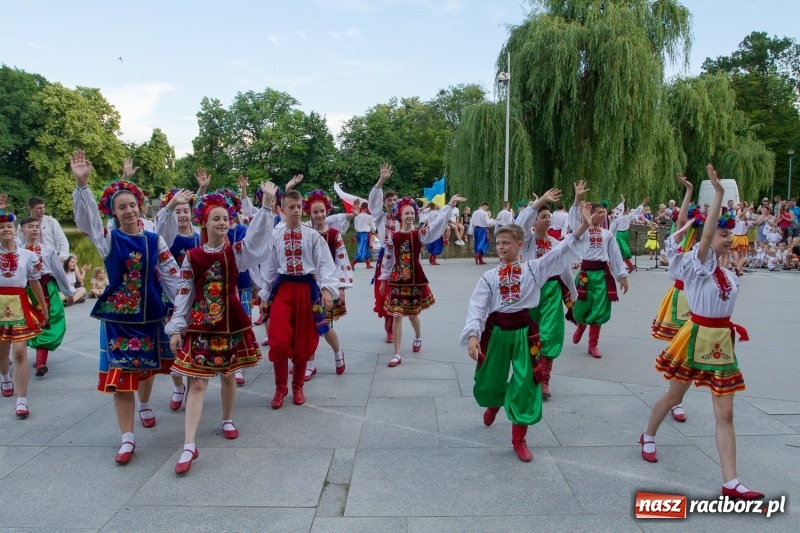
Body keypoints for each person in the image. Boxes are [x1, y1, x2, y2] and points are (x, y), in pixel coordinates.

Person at [641, 164, 763, 501]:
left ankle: (731, 481)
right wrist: (718, 195)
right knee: (674, 396)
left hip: (722, 342)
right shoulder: (699, 265)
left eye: (728, 234)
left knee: (725, 412)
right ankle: (649, 434)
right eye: (725, 234)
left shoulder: (729, 274)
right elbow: (703, 236)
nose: (729, 238)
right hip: (695, 337)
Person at [71, 149, 180, 464]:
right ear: (114, 212)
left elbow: (172, 275)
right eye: (122, 207)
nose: (129, 210)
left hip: (150, 314)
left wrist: (183, 310)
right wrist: (82, 186)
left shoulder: (152, 239)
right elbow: (88, 222)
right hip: (118, 317)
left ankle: (145, 405)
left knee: (146, 371)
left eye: (132, 205)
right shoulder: (107, 239)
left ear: (139, 207)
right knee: (121, 376)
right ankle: (127, 438)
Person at [461, 206, 591, 462]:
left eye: (506, 243)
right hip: (497, 333)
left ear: (520, 245)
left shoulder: (534, 269)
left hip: (524, 334)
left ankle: (519, 439)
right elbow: (477, 306)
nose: (500, 247)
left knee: (526, 383)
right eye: (498, 243)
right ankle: (494, 404)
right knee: (490, 378)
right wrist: (474, 335)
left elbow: (561, 252)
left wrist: (583, 227)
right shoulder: (488, 277)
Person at [166, 186, 275, 475]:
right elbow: (184, 291)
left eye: (225, 218)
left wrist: (265, 205)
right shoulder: (193, 256)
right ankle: (189, 444)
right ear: (205, 222)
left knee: (228, 374)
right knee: (198, 382)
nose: (222, 223)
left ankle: (227, 418)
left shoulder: (235, 252)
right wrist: (177, 326)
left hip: (230, 323)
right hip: (202, 323)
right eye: (216, 218)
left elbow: (257, 241)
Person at [258, 190, 338, 409]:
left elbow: (323, 264)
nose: (295, 210)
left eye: (297, 206)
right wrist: (265, 295)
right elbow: (270, 267)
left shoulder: (313, 236)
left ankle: (298, 386)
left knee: (304, 339)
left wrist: (327, 289)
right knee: (278, 337)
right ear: (282, 210)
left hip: (306, 289)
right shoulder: (275, 236)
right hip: (284, 289)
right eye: (290, 207)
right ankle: (280, 387)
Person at [379, 194, 466, 367]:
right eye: (406, 214)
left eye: (412, 213)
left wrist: (449, 205)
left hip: (414, 279)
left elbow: (437, 225)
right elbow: (388, 258)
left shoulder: (419, 234)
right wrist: (383, 278)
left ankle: (418, 336)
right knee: (396, 315)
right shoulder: (393, 236)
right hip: (397, 279)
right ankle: (397, 353)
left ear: (415, 215)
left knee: (412, 315)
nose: (410, 216)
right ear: (400, 216)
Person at [515, 189, 578, 398]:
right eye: (543, 216)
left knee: (550, 335)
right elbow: (519, 225)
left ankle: (544, 380)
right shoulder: (525, 241)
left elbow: (565, 270)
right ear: (534, 221)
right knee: (528, 334)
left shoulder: (555, 243)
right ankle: (527, 375)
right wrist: (540, 201)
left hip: (551, 292)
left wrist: (573, 296)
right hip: (530, 290)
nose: (548, 220)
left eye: (550, 216)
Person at [651, 173, 699, 422]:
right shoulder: (682, 244)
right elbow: (681, 219)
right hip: (680, 296)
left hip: (698, 300)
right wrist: (688, 191)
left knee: (690, 349)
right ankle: (674, 399)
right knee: (677, 348)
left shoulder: (707, 250)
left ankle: (676, 399)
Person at [569, 181, 629, 358]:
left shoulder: (608, 235)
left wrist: (622, 276)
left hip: (603, 275)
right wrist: (577, 198)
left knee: (600, 309)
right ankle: (580, 325)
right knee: (580, 307)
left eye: (604, 212)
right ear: (591, 214)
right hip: (585, 275)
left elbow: (616, 256)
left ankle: (592, 344)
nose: (604, 215)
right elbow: (572, 222)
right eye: (600, 212)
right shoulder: (582, 232)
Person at [0, 210, 48, 417]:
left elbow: (34, 281)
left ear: (15, 229)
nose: (5, 230)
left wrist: (43, 308)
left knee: (19, 352)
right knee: (2, 352)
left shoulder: (29, 255)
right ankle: (4, 377)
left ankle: (22, 400)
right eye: (1, 228)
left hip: (20, 303)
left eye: (9, 227)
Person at [155, 187, 199, 411]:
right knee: (173, 344)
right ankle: (177, 386)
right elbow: (158, 229)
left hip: (194, 297)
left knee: (192, 343)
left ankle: (192, 385)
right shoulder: (167, 238)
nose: (182, 215)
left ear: (192, 212)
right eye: (177, 211)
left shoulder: (200, 235)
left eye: (185, 211)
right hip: (170, 297)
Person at [302, 189, 352, 380]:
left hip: (327, 285)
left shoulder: (334, 234)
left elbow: (342, 260)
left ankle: (338, 353)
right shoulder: (304, 232)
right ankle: (310, 363)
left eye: (322, 211)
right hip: (308, 284)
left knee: (324, 325)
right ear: (309, 213)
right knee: (309, 325)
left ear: (327, 210)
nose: (319, 215)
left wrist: (339, 287)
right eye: (315, 212)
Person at [19, 217, 76, 378]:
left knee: (49, 323)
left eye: (37, 226)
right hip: (25, 291)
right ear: (22, 230)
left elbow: (59, 272)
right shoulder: (18, 251)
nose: (35, 230)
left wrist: (69, 292)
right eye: (30, 227)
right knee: (23, 324)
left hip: (47, 289)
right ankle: (16, 358)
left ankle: (41, 361)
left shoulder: (48, 250)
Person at [368, 164, 400, 343]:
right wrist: (382, 180)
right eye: (389, 200)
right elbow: (373, 204)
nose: (392, 202)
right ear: (384, 203)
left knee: (398, 293)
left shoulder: (403, 218)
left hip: (401, 261)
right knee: (384, 293)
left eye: (395, 199)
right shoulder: (380, 217)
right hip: (385, 260)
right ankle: (389, 327)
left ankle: (395, 325)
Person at [19, 196, 70, 261]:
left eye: (43, 207)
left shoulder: (51, 221)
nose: (42, 210)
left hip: (52, 257)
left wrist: (62, 258)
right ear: (30, 209)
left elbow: (63, 241)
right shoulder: (23, 224)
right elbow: (20, 243)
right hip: (31, 258)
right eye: (39, 208)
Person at [612, 194, 648, 274]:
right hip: (622, 234)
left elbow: (637, 211)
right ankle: (626, 266)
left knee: (622, 250)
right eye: (627, 208)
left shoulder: (626, 217)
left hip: (622, 234)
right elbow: (612, 228)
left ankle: (628, 266)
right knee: (621, 250)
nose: (628, 209)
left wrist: (643, 204)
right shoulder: (619, 218)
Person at [351, 201, 375, 269]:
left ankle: (368, 264)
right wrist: (373, 231)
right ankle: (353, 262)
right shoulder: (369, 216)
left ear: (361, 208)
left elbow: (355, 227)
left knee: (366, 248)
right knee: (362, 249)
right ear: (367, 208)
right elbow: (373, 228)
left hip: (358, 234)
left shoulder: (356, 216)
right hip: (365, 234)